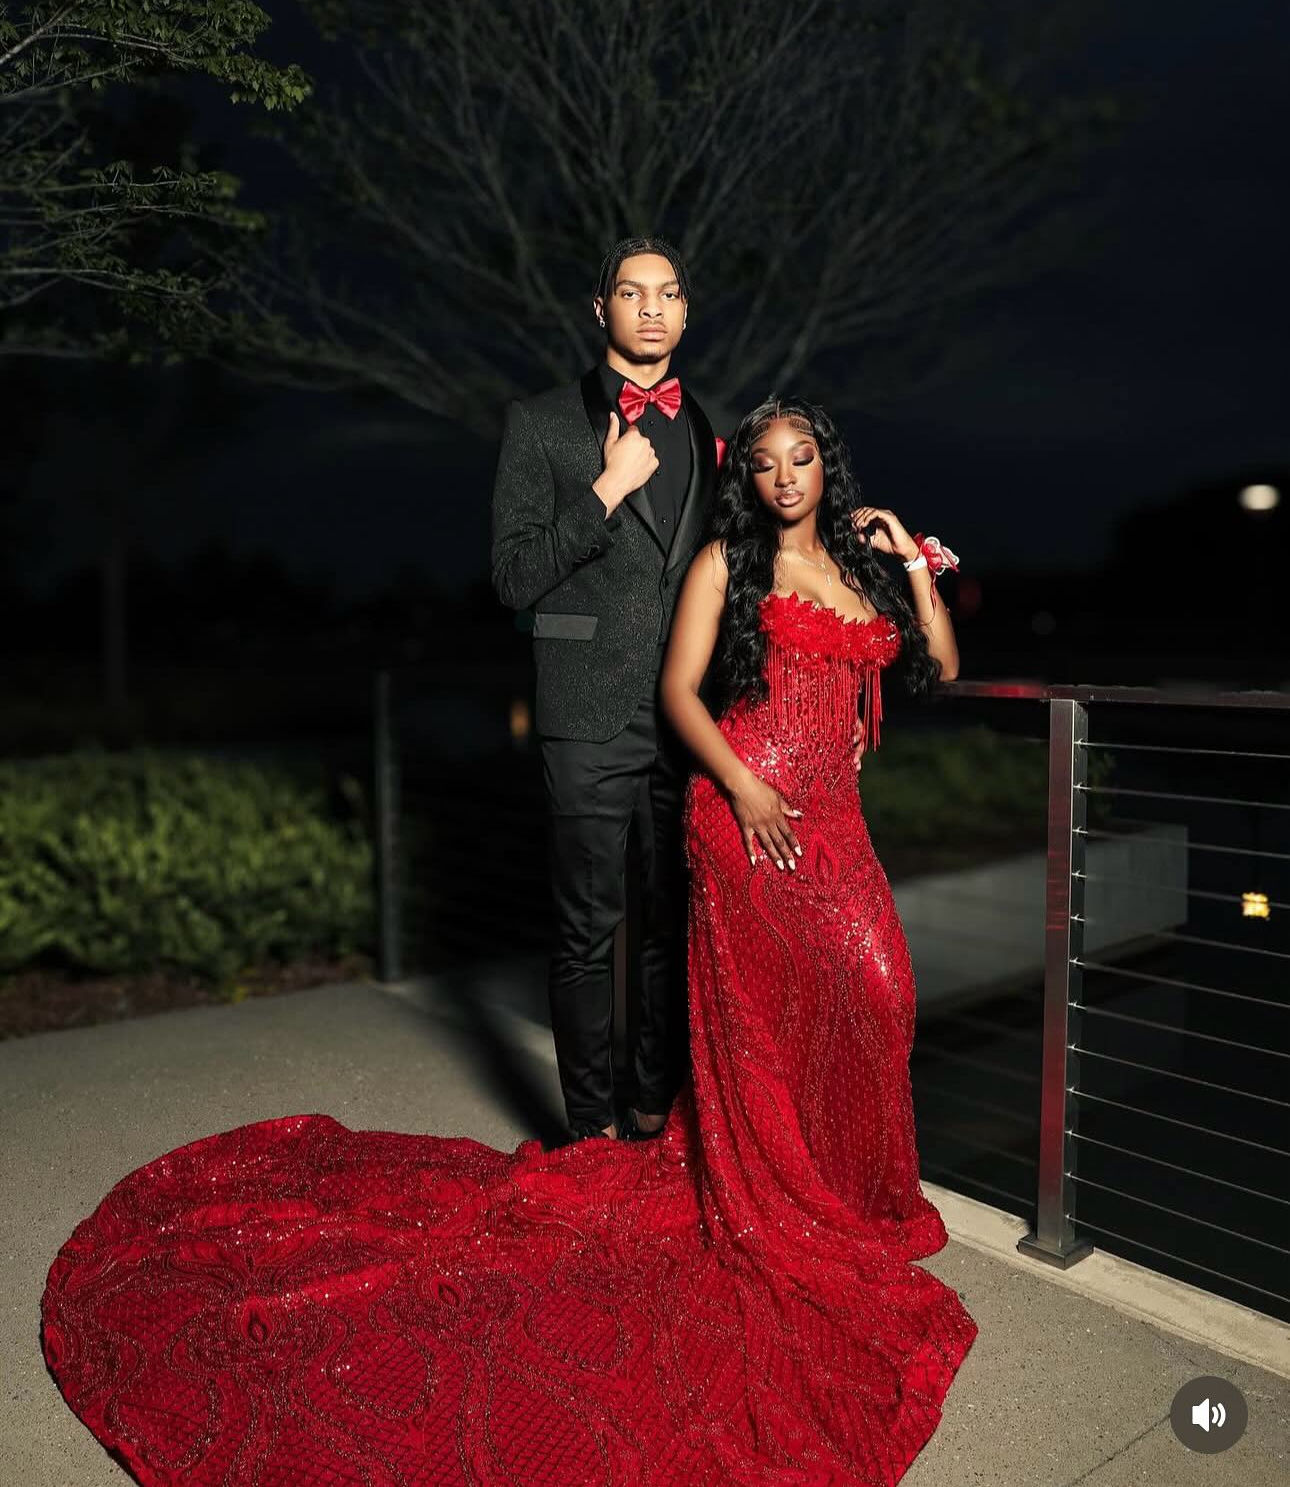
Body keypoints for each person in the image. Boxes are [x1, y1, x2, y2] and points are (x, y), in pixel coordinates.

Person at [42, 390, 977, 1487]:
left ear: (828, 467)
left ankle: (854, 1194)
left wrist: (912, 560)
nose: (783, 475)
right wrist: (741, 788)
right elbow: (681, 694)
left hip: (840, 824)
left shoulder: (867, 567)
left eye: (801, 457)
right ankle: (787, 1201)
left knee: (879, 995)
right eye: (765, 461)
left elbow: (943, 668)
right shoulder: (729, 564)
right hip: (747, 812)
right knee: (771, 1028)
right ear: (750, 478)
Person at [490, 236, 720, 1144]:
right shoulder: (540, 421)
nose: (652, 308)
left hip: (687, 716)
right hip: (586, 714)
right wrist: (604, 492)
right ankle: (587, 1133)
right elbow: (511, 577)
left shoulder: (711, 427)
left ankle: (652, 1108)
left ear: (686, 311)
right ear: (602, 310)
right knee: (588, 931)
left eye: (668, 293)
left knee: (671, 928)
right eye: (633, 292)